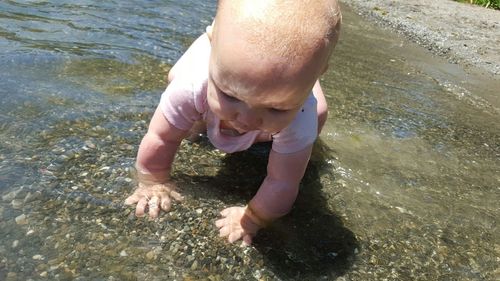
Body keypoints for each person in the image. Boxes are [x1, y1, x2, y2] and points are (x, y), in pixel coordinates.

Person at [125, 0, 342, 245]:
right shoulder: (194, 81)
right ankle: (201, 118)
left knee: (317, 114)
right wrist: (154, 180)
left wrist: (254, 218)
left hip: (288, 84)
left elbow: (283, 182)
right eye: (230, 96)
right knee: (177, 83)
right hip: (204, 73)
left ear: (320, 72)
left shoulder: (301, 112)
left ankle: (294, 133)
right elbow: (161, 138)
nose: (247, 120)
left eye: (275, 108)